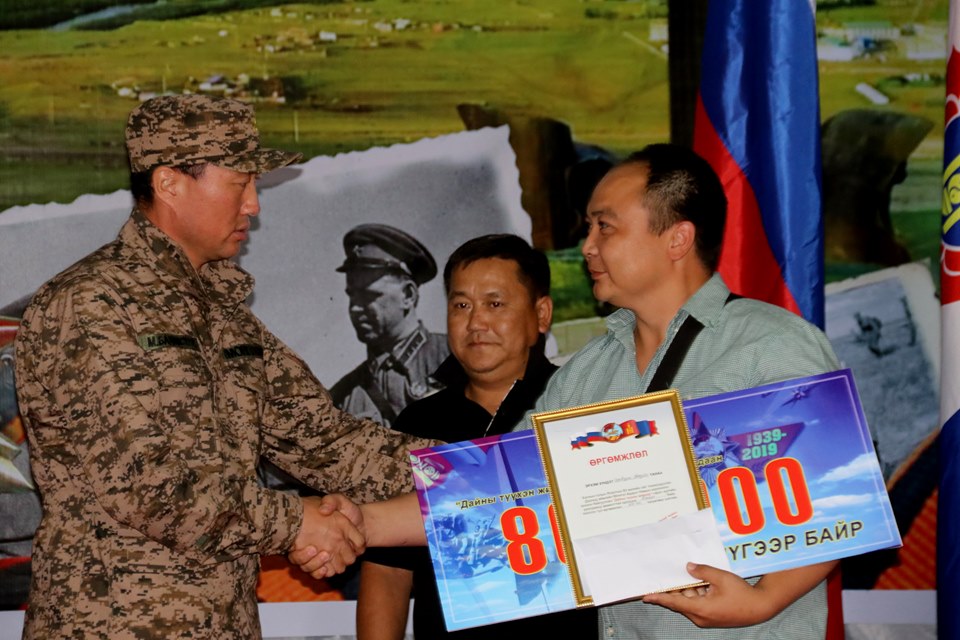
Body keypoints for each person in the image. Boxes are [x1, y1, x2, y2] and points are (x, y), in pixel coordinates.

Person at [293, 143, 842, 638]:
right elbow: (502, 493)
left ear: (677, 238)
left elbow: (840, 491)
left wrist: (762, 600)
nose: (588, 247)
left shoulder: (768, 345)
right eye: (589, 228)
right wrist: (358, 521)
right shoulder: (587, 374)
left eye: (605, 227)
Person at [14, 94, 433, 640]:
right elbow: (147, 485)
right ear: (169, 183)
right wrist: (298, 523)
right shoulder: (90, 304)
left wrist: (480, 471)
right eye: (239, 183)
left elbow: (328, 441)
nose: (253, 205)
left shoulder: (224, 316)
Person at [355, 234, 596, 639]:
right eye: (461, 305)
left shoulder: (581, 409)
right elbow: (387, 572)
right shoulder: (418, 425)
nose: (476, 322)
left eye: (495, 304)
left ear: (541, 314)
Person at [330, 224, 449, 426]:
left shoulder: (462, 359)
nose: (355, 308)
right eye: (352, 295)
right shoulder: (341, 399)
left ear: (408, 296)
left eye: (369, 295)